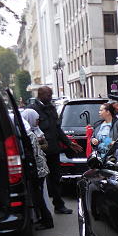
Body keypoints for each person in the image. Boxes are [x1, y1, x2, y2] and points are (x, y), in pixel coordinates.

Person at [28, 86, 82, 214]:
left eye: (51, 95)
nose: (50, 97)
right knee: (40, 181)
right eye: (48, 95)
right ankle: (40, 210)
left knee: (56, 178)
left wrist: (69, 144)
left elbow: (57, 129)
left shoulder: (51, 108)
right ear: (40, 95)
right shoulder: (32, 110)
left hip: (53, 150)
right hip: (39, 152)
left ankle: (59, 205)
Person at [19, 109, 53, 230]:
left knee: (38, 197)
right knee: (37, 196)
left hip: (38, 170)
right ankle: (43, 219)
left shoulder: (29, 135)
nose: (38, 121)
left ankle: (47, 221)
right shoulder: (31, 134)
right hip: (38, 169)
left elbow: (33, 152)